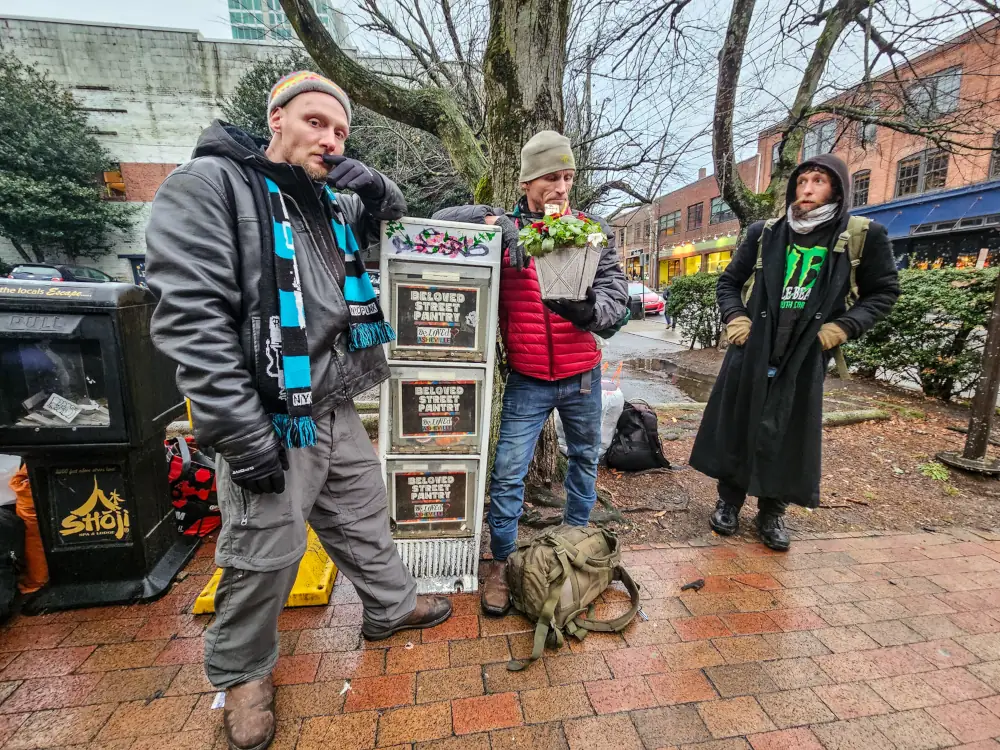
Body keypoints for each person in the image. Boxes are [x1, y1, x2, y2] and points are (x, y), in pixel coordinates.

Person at [145, 71, 452, 750]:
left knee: (364, 514)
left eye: (340, 130)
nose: (330, 137)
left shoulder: (327, 201)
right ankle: (243, 671)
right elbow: (191, 322)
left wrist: (374, 185)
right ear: (275, 119)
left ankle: (390, 608)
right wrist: (240, 433)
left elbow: (389, 217)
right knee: (266, 553)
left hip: (334, 402)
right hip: (272, 415)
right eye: (315, 121)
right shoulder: (210, 185)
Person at [433, 131, 629, 616]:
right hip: (527, 376)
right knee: (508, 474)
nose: (561, 187)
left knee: (584, 461)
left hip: (582, 372)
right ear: (527, 182)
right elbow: (437, 223)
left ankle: (575, 548)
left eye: (567, 177)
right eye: (550, 178)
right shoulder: (504, 229)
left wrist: (590, 312)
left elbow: (617, 300)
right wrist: (495, 222)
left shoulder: (590, 229)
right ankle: (500, 562)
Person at [689, 153, 899, 551]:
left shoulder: (861, 236)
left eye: (818, 181)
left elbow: (883, 292)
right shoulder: (764, 233)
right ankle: (729, 503)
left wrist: (839, 330)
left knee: (787, 431)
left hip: (804, 357)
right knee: (739, 425)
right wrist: (737, 320)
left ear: (836, 188)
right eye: (802, 181)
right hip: (752, 350)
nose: (806, 189)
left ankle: (772, 512)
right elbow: (728, 283)